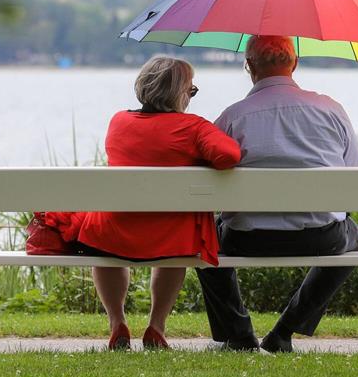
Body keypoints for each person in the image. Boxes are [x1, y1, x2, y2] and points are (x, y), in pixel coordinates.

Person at [196, 35, 358, 353]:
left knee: (203, 240)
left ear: (249, 67)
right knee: (354, 239)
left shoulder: (233, 116)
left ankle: (239, 335)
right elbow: (356, 177)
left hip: (246, 238)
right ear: (295, 63)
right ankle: (284, 332)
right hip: (321, 236)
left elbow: (205, 180)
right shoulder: (331, 110)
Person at [74, 56, 241, 351]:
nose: (191, 97)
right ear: (179, 93)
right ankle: (156, 326)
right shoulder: (193, 128)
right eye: (191, 90)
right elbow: (228, 156)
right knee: (174, 235)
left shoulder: (119, 122)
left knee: (106, 231)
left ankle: (117, 322)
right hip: (168, 237)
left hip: (114, 232)